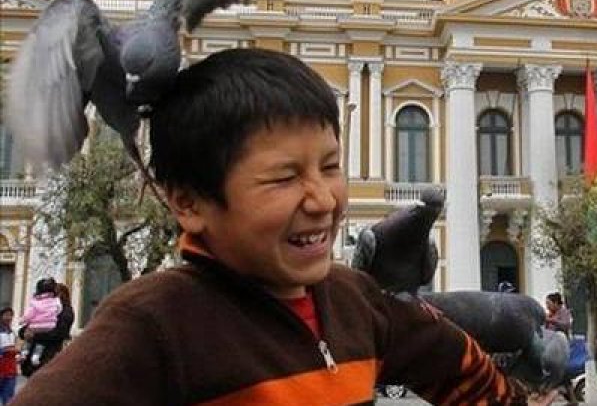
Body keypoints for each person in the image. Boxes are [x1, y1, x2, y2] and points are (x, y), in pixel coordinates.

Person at [11, 48, 554, 406]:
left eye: (331, 166)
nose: (322, 199)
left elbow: (457, 364)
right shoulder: (156, 325)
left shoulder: (351, 298)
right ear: (189, 201)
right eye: (284, 177)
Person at [17, 280, 59, 368]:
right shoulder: (55, 300)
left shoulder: (35, 301)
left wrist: (22, 320)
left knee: (28, 339)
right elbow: (58, 310)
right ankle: (36, 357)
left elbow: (29, 314)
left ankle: (24, 353)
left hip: (35, 326)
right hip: (50, 326)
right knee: (41, 342)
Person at [0, 307, 17, 405]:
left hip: (11, 369)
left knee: (9, 398)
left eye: (11, 315)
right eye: (6, 315)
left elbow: (16, 348)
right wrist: (6, 350)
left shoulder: (13, 332)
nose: (9, 317)